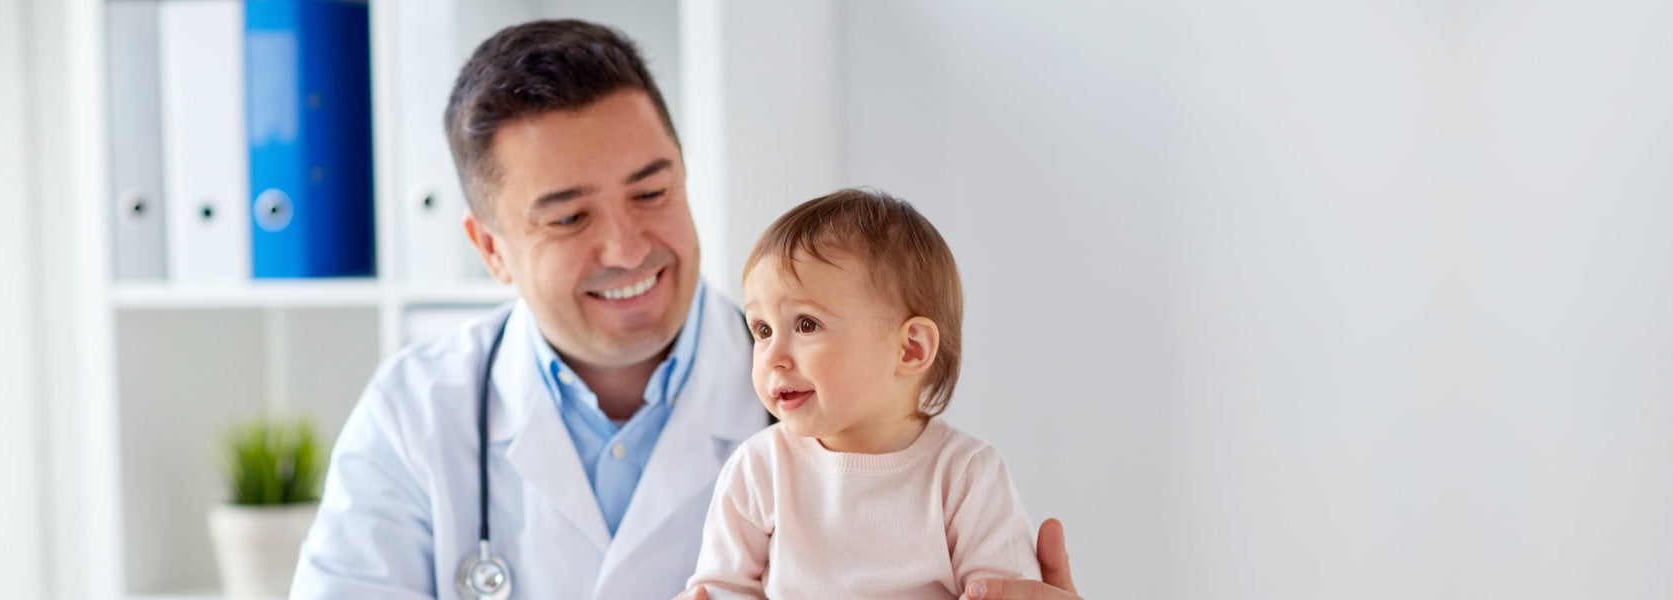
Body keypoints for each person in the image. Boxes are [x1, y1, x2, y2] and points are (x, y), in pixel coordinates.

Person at [289, 19, 1083, 600]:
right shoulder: (416, 414)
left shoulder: (863, 405)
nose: (628, 247)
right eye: (570, 217)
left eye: (652, 191)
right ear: (491, 248)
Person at [683, 189, 1036, 598]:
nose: (772, 357)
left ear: (911, 348)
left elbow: (1003, 591)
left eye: (806, 324)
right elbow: (722, 588)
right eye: (762, 330)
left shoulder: (965, 474)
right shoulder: (759, 468)